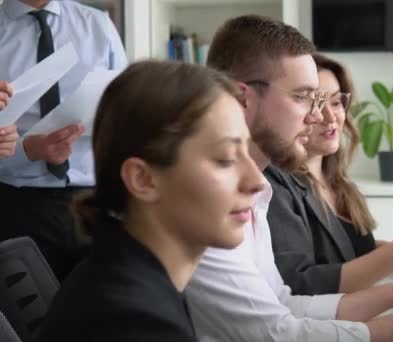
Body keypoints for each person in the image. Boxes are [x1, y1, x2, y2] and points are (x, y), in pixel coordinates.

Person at [186, 15, 393, 342]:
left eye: (326, 101)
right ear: (243, 99)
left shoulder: (258, 191)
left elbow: (282, 303)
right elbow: (275, 334)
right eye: (302, 97)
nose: (316, 116)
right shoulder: (209, 205)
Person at [35, 61, 264, 342]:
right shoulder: (134, 321)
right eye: (225, 159)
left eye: (247, 152)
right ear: (143, 180)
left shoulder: (126, 280)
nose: (256, 181)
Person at [265, 53, 393, 295]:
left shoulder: (339, 183)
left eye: (336, 102)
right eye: (316, 103)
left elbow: (354, 253)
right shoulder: (274, 185)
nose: (329, 117)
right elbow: (300, 284)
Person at [0, 0, 128, 281]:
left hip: (94, 203)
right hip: (16, 206)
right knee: (27, 318)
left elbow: (127, 109)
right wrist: (28, 150)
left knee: (98, 313)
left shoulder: (98, 26)